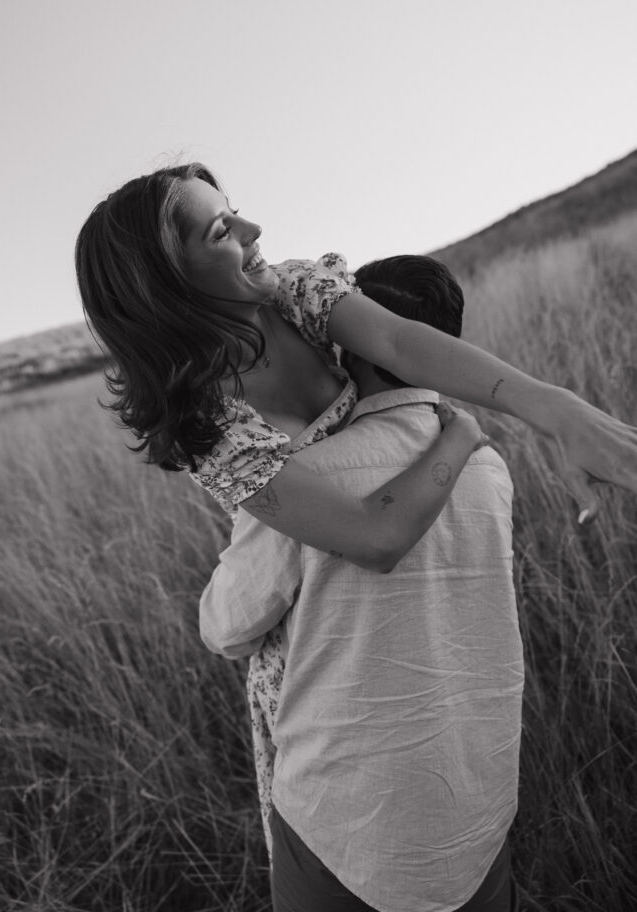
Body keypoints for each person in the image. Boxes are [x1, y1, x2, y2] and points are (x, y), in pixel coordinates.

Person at [75, 162, 637, 564]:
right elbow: (375, 539)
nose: (254, 231)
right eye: (223, 231)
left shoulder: (293, 291)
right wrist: (460, 435)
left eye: (236, 214)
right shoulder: (210, 428)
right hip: (320, 650)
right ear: (169, 287)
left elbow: (398, 342)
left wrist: (559, 411)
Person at [200, 255, 522, 912]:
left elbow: (225, 628)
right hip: (477, 793)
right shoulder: (488, 469)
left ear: (351, 338)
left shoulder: (304, 480)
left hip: (345, 822)